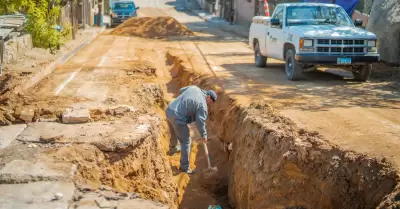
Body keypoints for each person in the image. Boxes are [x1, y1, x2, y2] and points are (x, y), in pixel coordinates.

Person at [165, 85, 217, 174]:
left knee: (173, 131)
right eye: (210, 102)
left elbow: (181, 90)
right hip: (178, 117)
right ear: (208, 97)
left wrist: (188, 100)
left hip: (170, 110)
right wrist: (204, 135)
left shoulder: (194, 88)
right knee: (186, 141)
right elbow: (200, 122)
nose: (209, 104)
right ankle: (184, 168)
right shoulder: (203, 105)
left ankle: (172, 149)